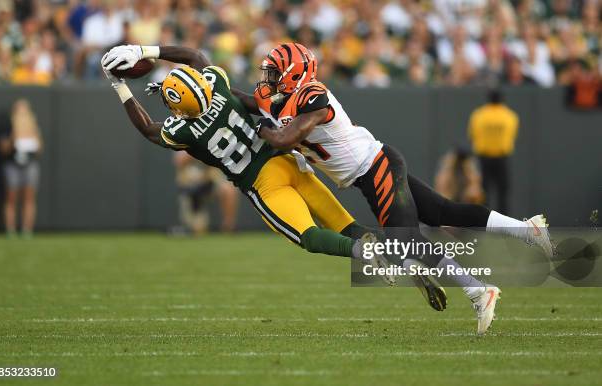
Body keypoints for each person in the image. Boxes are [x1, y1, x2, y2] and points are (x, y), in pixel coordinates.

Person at [243, 42, 553, 334]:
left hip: (375, 167)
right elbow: (250, 105)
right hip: (370, 172)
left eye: (273, 73)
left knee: (406, 241)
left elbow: (285, 138)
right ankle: (527, 231)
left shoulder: (314, 96)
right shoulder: (285, 102)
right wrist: (214, 88)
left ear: (294, 73)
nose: (267, 79)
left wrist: (262, 127)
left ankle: (478, 290)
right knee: (440, 212)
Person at [100, 44, 403, 289]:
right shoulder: (217, 84)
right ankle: (407, 265)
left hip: (264, 184)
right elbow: (193, 56)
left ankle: (363, 253)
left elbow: (148, 128)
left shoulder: (186, 131)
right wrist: (144, 50)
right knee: (348, 227)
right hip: (288, 163)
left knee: (309, 237)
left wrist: (119, 85)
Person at [468, 89, 519, 214]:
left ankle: (484, 221)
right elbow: (512, 135)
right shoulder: (510, 115)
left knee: (483, 193)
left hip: (484, 157)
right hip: (502, 157)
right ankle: (504, 222)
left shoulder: (478, 115)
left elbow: (472, 135)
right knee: (503, 192)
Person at [0, 99, 42, 238]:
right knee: (11, 197)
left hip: (29, 164)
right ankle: (10, 230)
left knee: (29, 198)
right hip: (12, 165)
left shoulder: (33, 126)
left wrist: (32, 133)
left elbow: (40, 148)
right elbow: (4, 149)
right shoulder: (7, 126)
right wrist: (14, 135)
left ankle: (26, 230)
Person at [174, 151, 239, 235]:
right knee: (198, 230)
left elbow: (216, 165)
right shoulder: (182, 141)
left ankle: (229, 227)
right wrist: (197, 150)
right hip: (190, 190)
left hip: (209, 183)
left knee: (228, 189)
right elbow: (179, 161)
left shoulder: (210, 142)